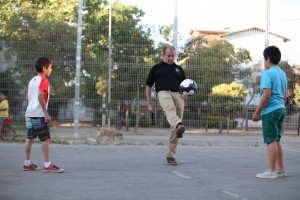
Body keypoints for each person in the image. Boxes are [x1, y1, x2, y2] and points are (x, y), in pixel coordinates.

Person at [146, 45, 186, 165]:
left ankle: (171, 156)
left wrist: (184, 94)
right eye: (168, 56)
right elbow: (148, 86)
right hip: (163, 92)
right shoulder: (156, 68)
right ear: (163, 55)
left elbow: (184, 85)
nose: (171, 58)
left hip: (178, 95)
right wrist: (149, 103)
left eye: (173, 56)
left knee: (176, 129)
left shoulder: (179, 69)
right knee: (170, 110)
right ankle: (179, 124)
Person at [23, 57, 64, 173]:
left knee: (29, 138)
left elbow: (27, 97)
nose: (51, 69)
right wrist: (45, 113)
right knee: (45, 139)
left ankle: (27, 163)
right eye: (50, 67)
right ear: (44, 68)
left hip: (29, 113)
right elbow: (40, 96)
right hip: (38, 114)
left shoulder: (32, 81)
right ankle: (47, 165)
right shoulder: (44, 81)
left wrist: (32, 106)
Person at [252, 46, 288, 178]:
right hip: (281, 108)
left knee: (270, 140)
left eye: (263, 59)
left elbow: (267, 95)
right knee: (276, 139)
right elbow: (284, 95)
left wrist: (257, 112)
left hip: (271, 110)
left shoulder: (267, 73)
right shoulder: (283, 74)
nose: (263, 61)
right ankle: (280, 169)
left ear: (267, 59)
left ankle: (271, 171)